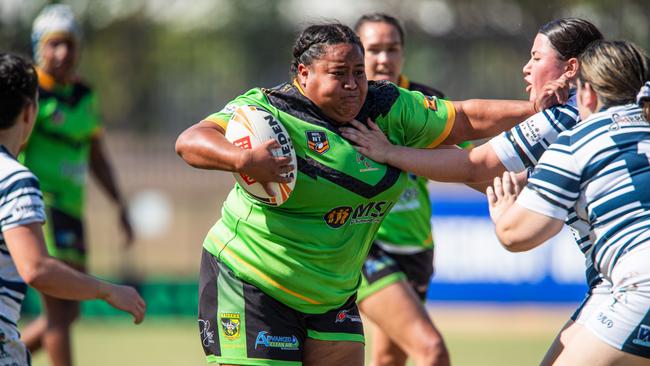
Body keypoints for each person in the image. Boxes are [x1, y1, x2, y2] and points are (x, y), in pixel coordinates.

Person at [176, 22, 539, 366]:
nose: (352, 84)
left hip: (334, 294)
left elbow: (464, 119)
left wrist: (540, 110)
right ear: (303, 74)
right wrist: (243, 159)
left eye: (358, 72)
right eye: (338, 74)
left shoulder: (389, 107)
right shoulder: (267, 110)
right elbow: (190, 141)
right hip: (253, 282)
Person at [487, 39, 650, 365]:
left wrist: (504, 210)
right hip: (618, 284)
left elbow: (516, 235)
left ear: (587, 93)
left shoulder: (576, 141)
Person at [0, 52, 145, 366]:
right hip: (49, 214)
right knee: (60, 313)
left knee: (65, 314)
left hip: (68, 214)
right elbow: (37, 268)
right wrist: (107, 291)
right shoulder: (16, 180)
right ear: (29, 112)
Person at [354, 13, 451, 366]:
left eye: (392, 49)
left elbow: (468, 165)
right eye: (373, 49)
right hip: (366, 245)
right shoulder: (343, 107)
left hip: (417, 248)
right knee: (431, 349)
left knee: (388, 359)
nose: (383, 59)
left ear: (403, 54)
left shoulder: (427, 103)